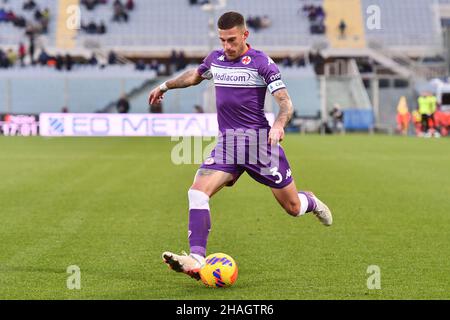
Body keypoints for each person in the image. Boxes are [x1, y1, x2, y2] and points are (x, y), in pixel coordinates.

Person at [148, 11, 332, 281]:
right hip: (228, 145)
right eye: (222, 40)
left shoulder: (261, 63)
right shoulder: (215, 59)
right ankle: (197, 259)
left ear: (245, 35)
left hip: (260, 146)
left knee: (292, 208)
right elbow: (194, 76)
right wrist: (165, 86)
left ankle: (311, 201)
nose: (227, 46)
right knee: (197, 193)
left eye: (232, 40)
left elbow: (285, 102)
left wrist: (279, 124)